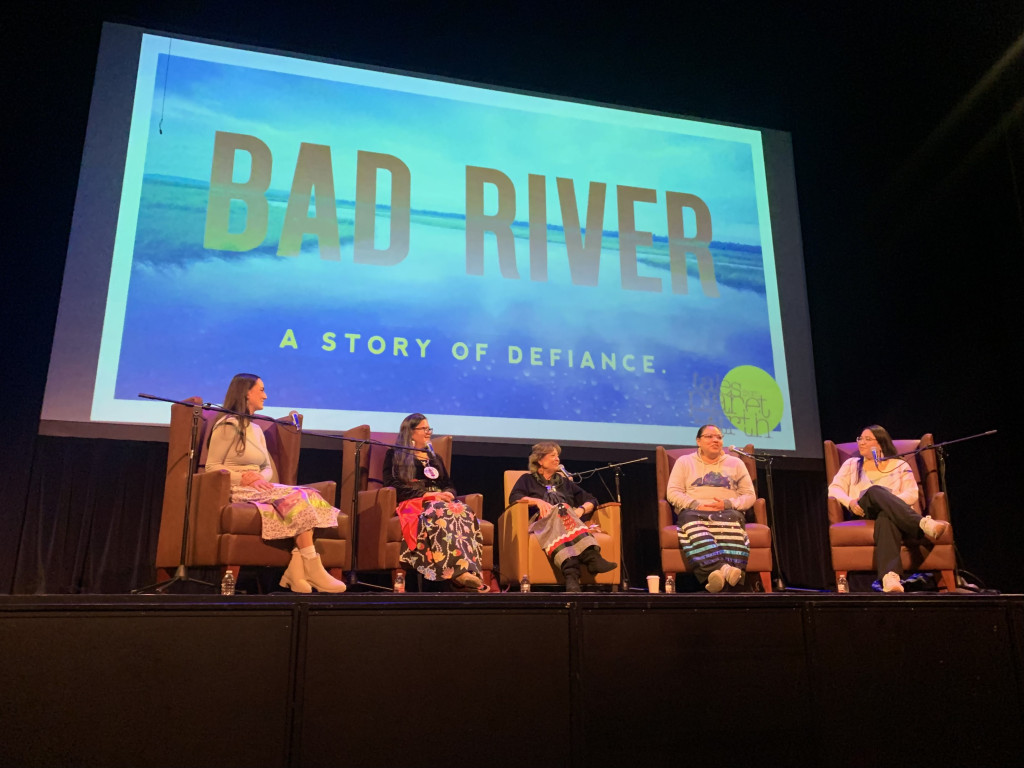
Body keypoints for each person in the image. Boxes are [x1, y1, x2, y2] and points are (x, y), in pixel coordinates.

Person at [205, 373, 347, 593]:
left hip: (260, 487)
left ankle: (296, 572)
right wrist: (242, 477)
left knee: (310, 494)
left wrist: (261, 478)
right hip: (238, 489)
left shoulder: (256, 430)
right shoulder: (227, 426)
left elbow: (267, 467)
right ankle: (312, 566)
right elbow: (211, 468)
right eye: (261, 390)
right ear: (246, 393)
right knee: (296, 498)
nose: (266, 395)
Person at [827, 424, 950, 593]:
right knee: (875, 490)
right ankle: (922, 524)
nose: (861, 443)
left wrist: (889, 503)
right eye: (860, 439)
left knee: (886, 516)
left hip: (890, 515)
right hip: (862, 510)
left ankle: (890, 577)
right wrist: (849, 502)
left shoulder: (899, 465)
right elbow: (833, 489)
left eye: (867, 439)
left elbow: (912, 494)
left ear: (880, 444)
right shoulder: (851, 464)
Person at [382, 413, 488, 592]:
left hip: (441, 502)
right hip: (415, 502)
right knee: (439, 510)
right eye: (424, 429)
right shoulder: (395, 454)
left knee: (464, 509)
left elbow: (448, 484)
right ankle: (458, 574)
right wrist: (427, 496)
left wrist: (447, 493)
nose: (428, 432)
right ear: (410, 432)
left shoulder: (434, 457)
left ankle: (470, 570)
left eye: (429, 428)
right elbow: (393, 485)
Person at [507, 441, 617, 592]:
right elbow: (514, 498)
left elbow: (591, 499)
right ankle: (591, 557)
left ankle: (572, 577)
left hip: (566, 523)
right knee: (562, 508)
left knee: (563, 510)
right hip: (541, 523)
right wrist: (537, 501)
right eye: (552, 456)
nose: (557, 459)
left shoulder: (564, 482)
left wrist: (580, 510)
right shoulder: (527, 479)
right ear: (540, 460)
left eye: (557, 456)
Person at [665, 424, 755, 592]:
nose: (715, 440)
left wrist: (727, 504)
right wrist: (695, 504)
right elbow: (673, 492)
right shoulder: (684, 462)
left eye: (719, 437)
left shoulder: (736, 463)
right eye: (709, 436)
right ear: (698, 441)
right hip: (694, 511)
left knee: (731, 521)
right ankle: (726, 570)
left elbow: (749, 495)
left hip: (728, 511)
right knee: (689, 521)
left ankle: (718, 575)